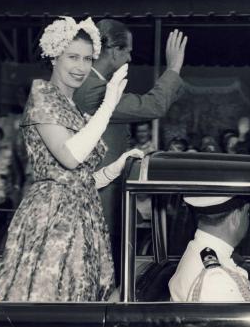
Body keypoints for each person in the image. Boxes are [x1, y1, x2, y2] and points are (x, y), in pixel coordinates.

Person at [0, 16, 143, 302]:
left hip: (84, 217)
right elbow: (70, 158)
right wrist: (109, 103)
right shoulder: (43, 96)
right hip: (52, 220)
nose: (81, 67)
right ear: (53, 57)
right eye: (72, 57)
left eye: (87, 59)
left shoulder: (70, 106)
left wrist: (113, 170)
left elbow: (78, 179)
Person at [73, 19, 187, 284]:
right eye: (128, 51)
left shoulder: (92, 84)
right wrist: (173, 67)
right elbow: (152, 106)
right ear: (113, 51)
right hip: (99, 196)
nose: (130, 57)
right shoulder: (92, 90)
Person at [169, 195, 250, 302]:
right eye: (247, 213)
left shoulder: (197, 250)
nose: (248, 219)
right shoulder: (216, 281)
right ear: (235, 218)